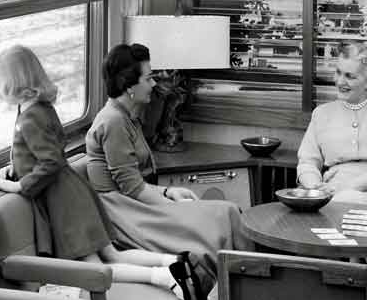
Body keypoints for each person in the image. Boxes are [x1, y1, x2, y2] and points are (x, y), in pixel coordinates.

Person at [0, 45, 187, 295]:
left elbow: (50, 161)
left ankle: (165, 277)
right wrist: (13, 167)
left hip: (62, 202)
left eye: (0, 85)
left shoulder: (29, 117)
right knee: (112, 254)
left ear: (15, 84)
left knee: (94, 268)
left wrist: (19, 185)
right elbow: (43, 149)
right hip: (75, 192)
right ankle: (174, 262)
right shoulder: (41, 107)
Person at [83, 42, 253, 285]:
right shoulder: (113, 122)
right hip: (122, 211)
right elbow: (132, 188)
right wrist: (174, 207)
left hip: (134, 201)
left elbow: (135, 182)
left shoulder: (127, 116)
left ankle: (246, 287)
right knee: (215, 221)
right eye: (149, 78)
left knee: (228, 211)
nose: (154, 84)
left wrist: (168, 190)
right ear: (129, 85)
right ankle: (232, 294)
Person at [296, 41, 367, 206]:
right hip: (332, 192)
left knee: (344, 204)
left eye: (349, 76)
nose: (340, 81)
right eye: (338, 73)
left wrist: (346, 189)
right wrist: (316, 188)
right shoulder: (321, 114)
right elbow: (307, 161)